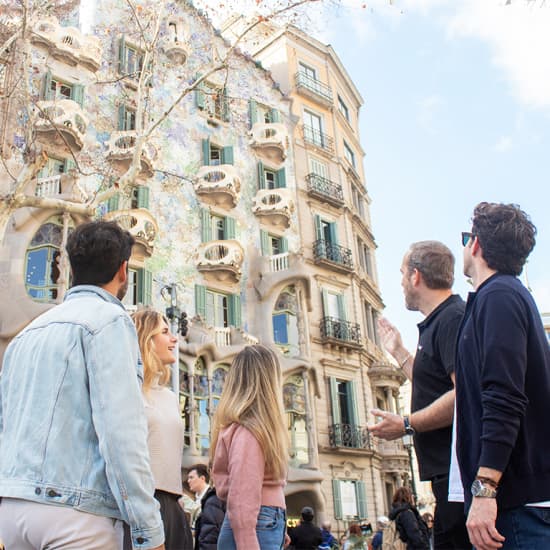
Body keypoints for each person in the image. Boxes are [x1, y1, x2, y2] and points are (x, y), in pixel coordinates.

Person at [0, 220, 164, 549]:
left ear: (72, 268)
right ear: (123, 270)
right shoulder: (110, 321)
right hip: (76, 514)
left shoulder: (27, 335)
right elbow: (122, 435)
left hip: (14, 508)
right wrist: (150, 532)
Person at [454, 202, 550, 550]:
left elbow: (505, 396)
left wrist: (485, 488)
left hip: (515, 506)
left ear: (476, 244)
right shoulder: (500, 297)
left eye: (467, 238)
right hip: (514, 503)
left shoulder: (499, 297)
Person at [368, 241, 469, 549]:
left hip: (459, 477)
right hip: (447, 480)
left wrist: (406, 424)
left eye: (401, 273)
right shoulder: (439, 322)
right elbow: (434, 387)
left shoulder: (452, 318)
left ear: (415, 276)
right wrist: (399, 353)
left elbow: (463, 396)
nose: (399, 282)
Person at [126, 309, 193, 550]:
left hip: (173, 507)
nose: (174, 338)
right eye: (165, 332)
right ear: (146, 340)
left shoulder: (170, 398)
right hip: (139, 505)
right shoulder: (127, 391)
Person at [211, 344, 288, 549]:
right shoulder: (250, 432)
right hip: (254, 525)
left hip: (260, 522)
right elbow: (242, 499)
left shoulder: (249, 430)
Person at [187, 463, 225, 550]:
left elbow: (211, 536)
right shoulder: (199, 499)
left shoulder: (213, 499)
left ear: (202, 478)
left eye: (191, 477)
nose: (188, 481)